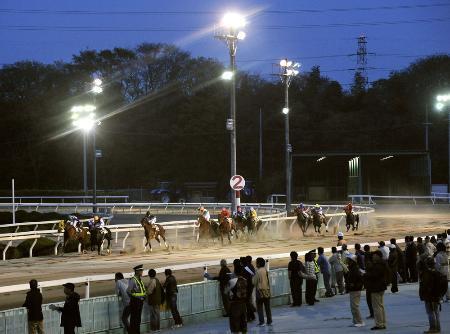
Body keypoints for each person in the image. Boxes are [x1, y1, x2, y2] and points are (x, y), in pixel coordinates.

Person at [364, 250, 389, 330]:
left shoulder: (378, 265)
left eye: (374, 255)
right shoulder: (382, 263)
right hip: (380, 287)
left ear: (378, 256)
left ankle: (379, 324)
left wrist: (365, 274)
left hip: (376, 287)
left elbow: (374, 275)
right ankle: (382, 323)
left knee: (376, 307)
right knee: (380, 306)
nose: (373, 257)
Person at [420, 257, 442, 333]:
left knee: (430, 312)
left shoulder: (427, 273)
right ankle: (438, 328)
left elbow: (425, 285)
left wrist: (424, 294)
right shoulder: (437, 272)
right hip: (436, 296)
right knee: (436, 312)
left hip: (430, 296)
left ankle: (433, 328)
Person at [225, 262, 248, 334]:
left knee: (235, 327)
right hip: (243, 305)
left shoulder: (232, 281)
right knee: (243, 326)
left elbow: (225, 291)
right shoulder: (245, 280)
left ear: (235, 271)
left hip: (235, 306)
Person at [344, 254, 365, 327]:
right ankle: (356, 321)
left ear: (352, 261)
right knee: (353, 306)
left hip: (355, 290)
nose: (348, 261)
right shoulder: (352, 268)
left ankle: (359, 321)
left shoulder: (355, 269)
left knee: (355, 306)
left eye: (349, 260)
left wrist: (354, 285)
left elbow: (360, 280)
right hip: (353, 289)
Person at [253, 257, 272, 327]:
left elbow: (254, 282)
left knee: (260, 308)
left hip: (260, 291)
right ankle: (269, 321)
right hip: (267, 290)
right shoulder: (265, 270)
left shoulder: (257, 271)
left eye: (256, 262)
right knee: (267, 307)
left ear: (258, 263)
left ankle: (262, 322)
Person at [127, 265, 146, 334]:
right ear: (137, 271)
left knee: (138, 319)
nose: (142, 272)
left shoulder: (139, 279)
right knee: (134, 319)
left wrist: (143, 296)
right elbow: (128, 291)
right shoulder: (133, 280)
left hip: (140, 301)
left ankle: (137, 332)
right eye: (141, 271)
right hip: (135, 301)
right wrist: (134, 297)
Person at [242, 256, 256, 322]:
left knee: (247, 301)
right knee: (248, 301)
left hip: (248, 286)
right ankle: (252, 315)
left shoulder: (246, 268)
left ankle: (250, 316)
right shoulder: (251, 266)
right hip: (251, 285)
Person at [363, 245, 374, 319]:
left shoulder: (368, 264)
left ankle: (372, 313)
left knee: (370, 300)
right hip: (371, 285)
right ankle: (373, 313)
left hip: (370, 285)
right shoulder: (373, 263)